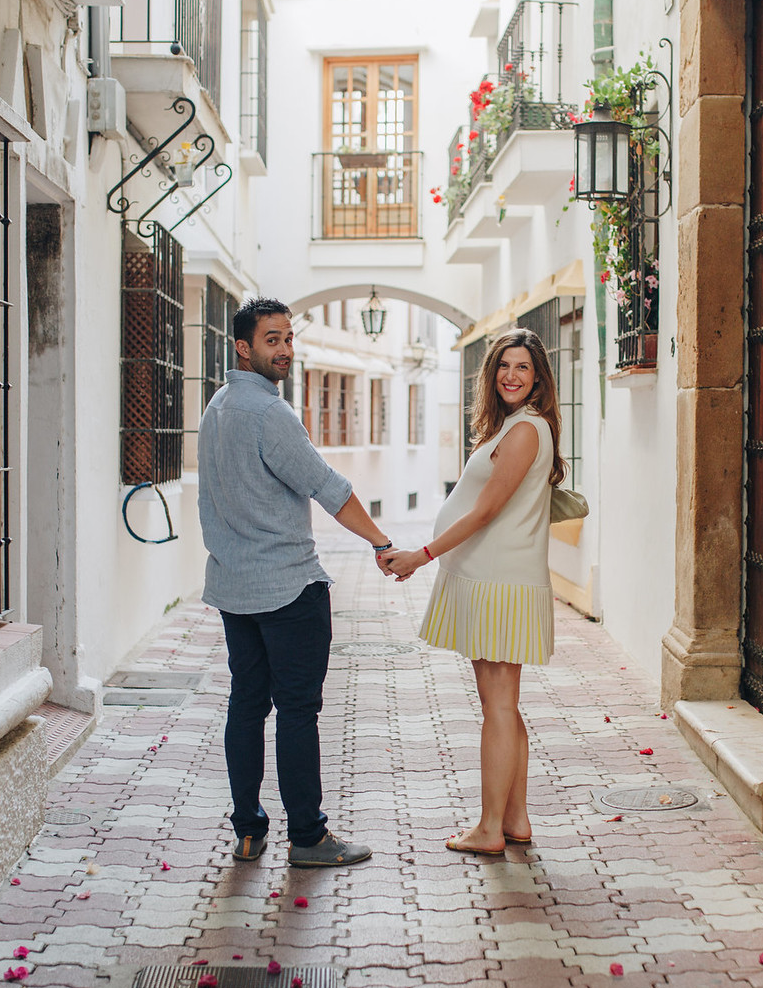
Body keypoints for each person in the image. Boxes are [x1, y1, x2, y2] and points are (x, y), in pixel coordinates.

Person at [195, 297, 393, 867]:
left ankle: (249, 830)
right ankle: (308, 837)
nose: (284, 349)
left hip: (235, 589)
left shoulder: (218, 406)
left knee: (247, 706)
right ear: (243, 347)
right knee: (298, 712)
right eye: (271, 340)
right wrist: (381, 543)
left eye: (287, 338)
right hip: (287, 588)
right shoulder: (267, 414)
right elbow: (328, 488)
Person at [381, 328, 563, 856]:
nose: (511, 375)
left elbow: (486, 511)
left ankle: (488, 828)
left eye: (523, 367)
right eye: (504, 365)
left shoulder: (526, 431)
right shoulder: (515, 426)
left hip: (501, 584)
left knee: (498, 709)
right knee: (503, 706)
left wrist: (422, 555)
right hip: (494, 580)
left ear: (538, 378)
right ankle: (515, 819)